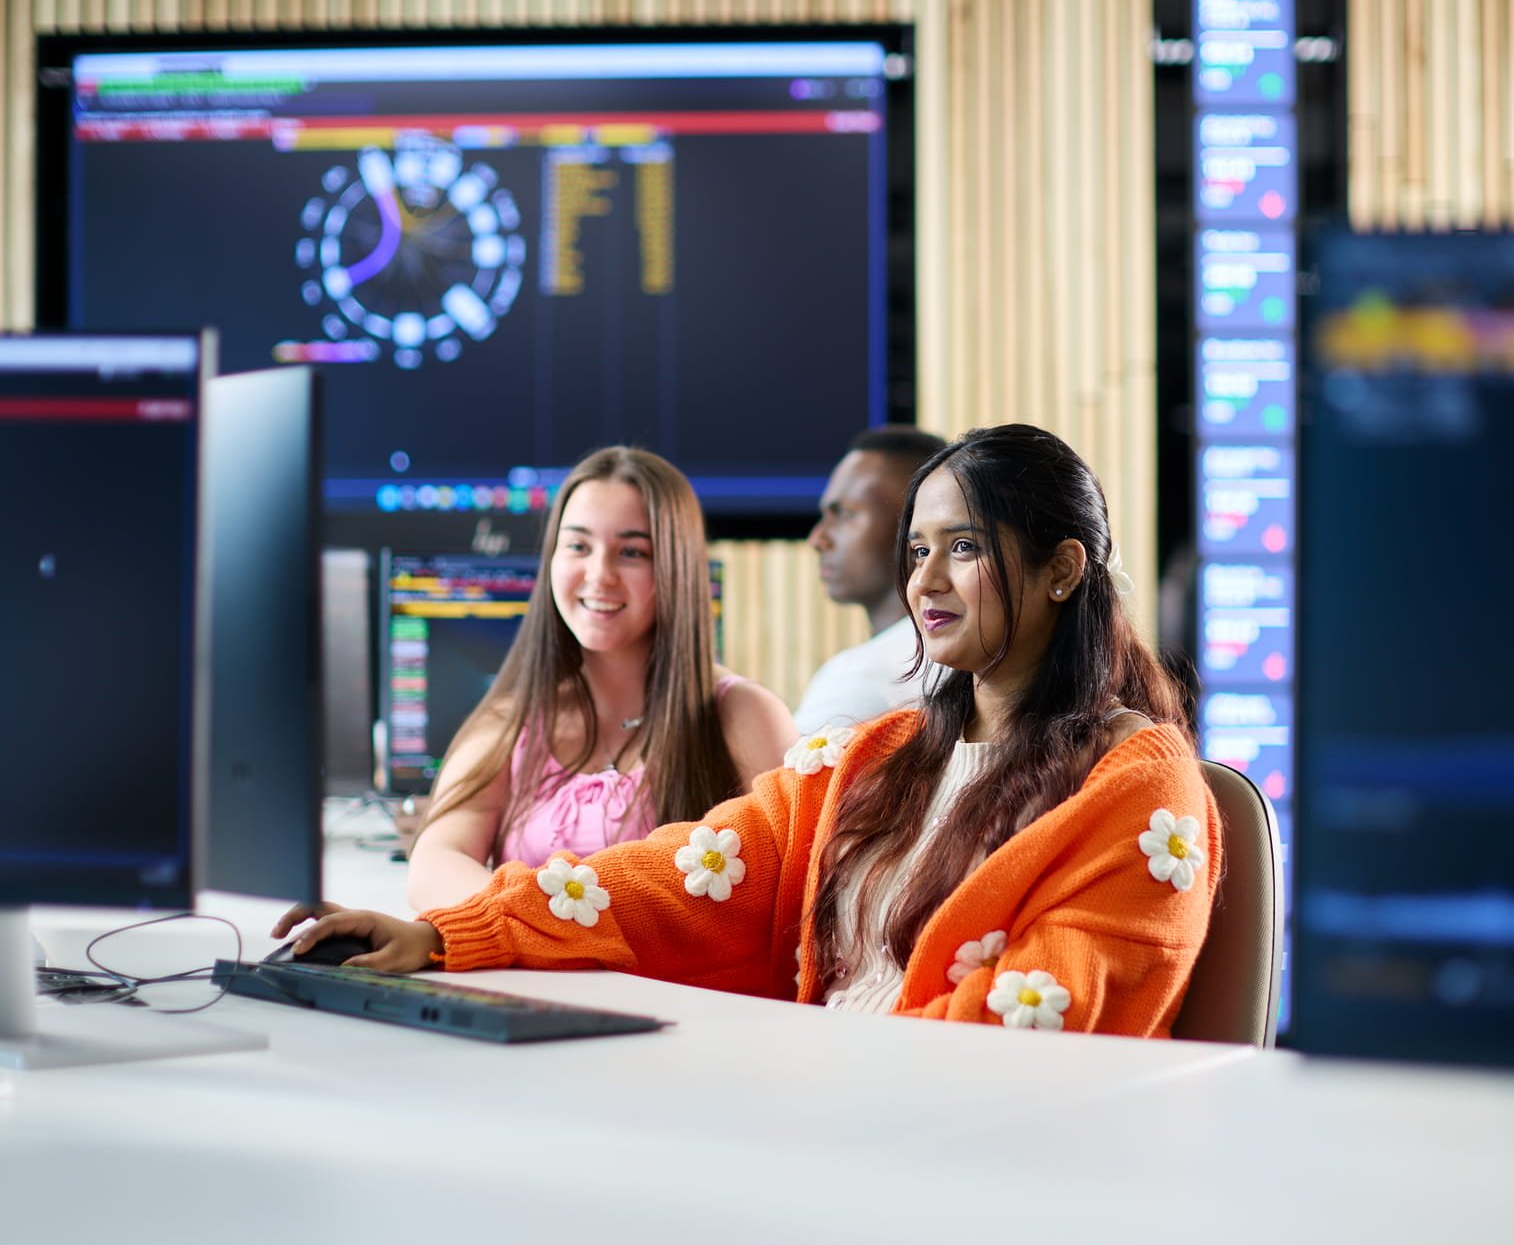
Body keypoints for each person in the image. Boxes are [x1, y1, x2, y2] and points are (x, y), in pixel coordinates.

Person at [279, 425, 1220, 1037]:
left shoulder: (1138, 785)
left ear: (1062, 569)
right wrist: (448, 937)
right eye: (917, 550)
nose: (924, 582)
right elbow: (682, 875)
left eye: (963, 548)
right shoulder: (877, 759)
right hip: (817, 1132)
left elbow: (1036, 1029)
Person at [402, 446, 797, 911]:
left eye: (631, 552)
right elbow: (434, 864)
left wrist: (573, 919)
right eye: (578, 546)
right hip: (530, 982)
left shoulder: (744, 713)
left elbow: (788, 896)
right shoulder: (511, 720)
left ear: (676, 568)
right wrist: (551, 921)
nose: (599, 574)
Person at [792, 424, 948, 730]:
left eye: (845, 514)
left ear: (917, 523)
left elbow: (781, 779)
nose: (818, 538)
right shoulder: (976, 662)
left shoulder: (863, 674)